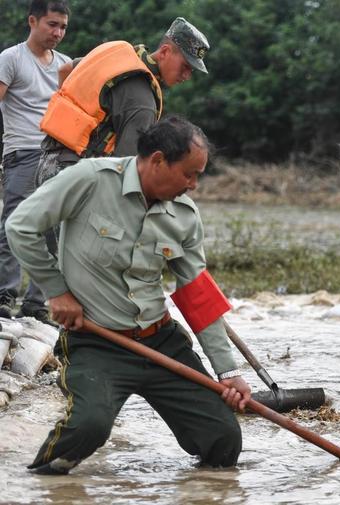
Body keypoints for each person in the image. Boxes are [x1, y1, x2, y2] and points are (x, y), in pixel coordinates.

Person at [6, 116, 251, 475]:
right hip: (97, 342)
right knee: (87, 429)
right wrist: (56, 291)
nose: (194, 185)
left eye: (199, 175)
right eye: (189, 174)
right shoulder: (89, 179)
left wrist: (227, 371)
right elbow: (20, 226)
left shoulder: (184, 215)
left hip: (160, 343)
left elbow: (198, 296)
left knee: (224, 442)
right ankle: (46, 485)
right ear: (156, 161)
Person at [35, 16, 209, 187]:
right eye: (185, 66)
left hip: (45, 164)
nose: (187, 76)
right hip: (75, 176)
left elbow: (64, 69)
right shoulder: (144, 103)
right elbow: (124, 167)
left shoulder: (115, 53)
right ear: (164, 52)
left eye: (191, 70)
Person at [0, 0, 70, 321]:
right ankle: (5, 294)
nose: (58, 33)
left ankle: (36, 303)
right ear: (32, 21)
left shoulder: (66, 65)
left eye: (63, 27)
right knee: (15, 223)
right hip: (23, 151)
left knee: (53, 230)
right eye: (52, 24)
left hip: (57, 154)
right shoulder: (11, 59)